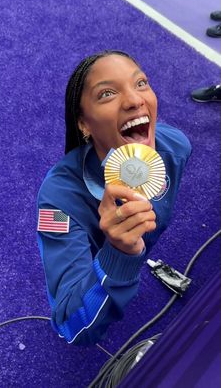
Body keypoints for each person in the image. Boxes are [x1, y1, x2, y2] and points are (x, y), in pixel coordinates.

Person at [37, 50, 192, 346]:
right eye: (107, 93)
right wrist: (119, 253)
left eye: (141, 83)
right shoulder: (57, 200)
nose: (135, 100)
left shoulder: (176, 148)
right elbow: (71, 327)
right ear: (83, 123)